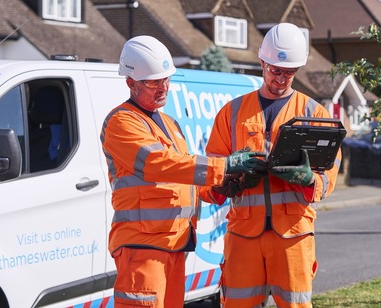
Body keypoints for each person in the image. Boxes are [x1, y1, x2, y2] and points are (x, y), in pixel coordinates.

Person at [100, 35, 266, 308]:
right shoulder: (120, 122)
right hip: (143, 247)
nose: (163, 87)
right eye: (154, 81)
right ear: (130, 83)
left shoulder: (170, 123)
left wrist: (218, 188)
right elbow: (158, 164)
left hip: (174, 244)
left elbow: (183, 177)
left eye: (166, 79)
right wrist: (224, 166)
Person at [205, 23, 342, 307]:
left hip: (293, 234)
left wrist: (309, 180)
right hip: (244, 234)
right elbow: (212, 172)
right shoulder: (231, 113)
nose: (281, 79)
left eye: (289, 72)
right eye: (275, 71)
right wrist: (232, 180)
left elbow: (330, 169)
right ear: (262, 63)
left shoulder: (313, 113)